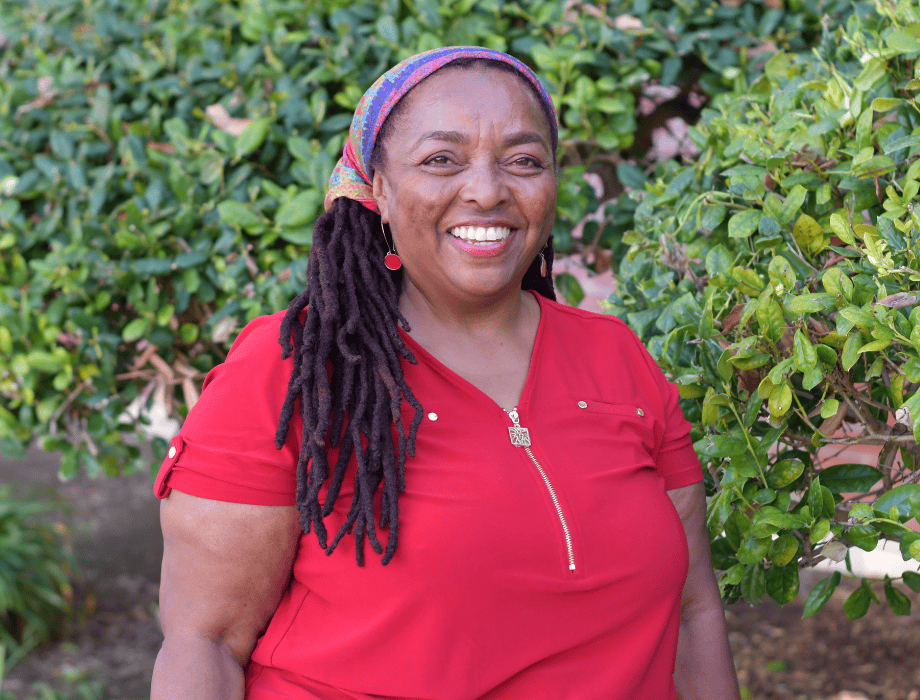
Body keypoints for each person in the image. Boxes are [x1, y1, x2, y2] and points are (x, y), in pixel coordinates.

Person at [151, 46, 741, 700]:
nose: (487, 191)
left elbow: (694, 615)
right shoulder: (294, 370)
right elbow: (203, 644)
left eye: (524, 161)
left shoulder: (617, 357)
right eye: (441, 160)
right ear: (376, 187)